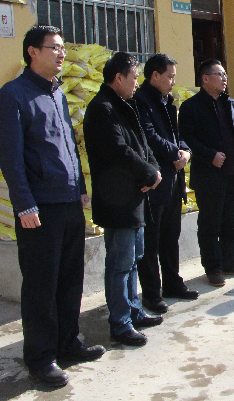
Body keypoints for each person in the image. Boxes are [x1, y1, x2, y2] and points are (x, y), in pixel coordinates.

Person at [0, 25, 105, 387]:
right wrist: (24, 204)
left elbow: (69, 146)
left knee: (70, 279)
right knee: (41, 284)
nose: (61, 54)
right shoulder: (13, 95)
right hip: (39, 207)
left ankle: (68, 343)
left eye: (62, 49)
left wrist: (81, 188)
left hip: (69, 201)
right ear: (32, 52)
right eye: (54, 48)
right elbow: (11, 157)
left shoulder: (57, 93)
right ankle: (41, 358)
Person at [84, 52, 164, 347]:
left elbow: (143, 145)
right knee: (120, 264)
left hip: (135, 198)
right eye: (133, 78)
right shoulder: (102, 109)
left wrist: (153, 170)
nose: (137, 84)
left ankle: (133, 310)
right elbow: (119, 151)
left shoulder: (125, 105)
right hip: (118, 200)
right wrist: (148, 173)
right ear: (118, 78)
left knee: (133, 260)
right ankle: (120, 323)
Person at [179, 59, 234, 287]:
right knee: (210, 224)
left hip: (232, 173)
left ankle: (230, 261)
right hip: (208, 175)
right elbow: (186, 138)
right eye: (219, 74)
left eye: (225, 75)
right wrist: (209, 154)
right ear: (205, 78)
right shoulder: (192, 106)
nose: (224, 78)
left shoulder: (230, 103)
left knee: (233, 221)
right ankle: (213, 268)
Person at [135, 54, 199, 315]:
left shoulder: (167, 102)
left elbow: (177, 135)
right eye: (170, 76)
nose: (173, 81)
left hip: (173, 179)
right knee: (151, 241)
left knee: (171, 237)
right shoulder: (141, 101)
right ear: (155, 76)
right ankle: (151, 293)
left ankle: (173, 283)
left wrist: (185, 152)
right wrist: (175, 154)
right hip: (155, 181)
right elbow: (148, 137)